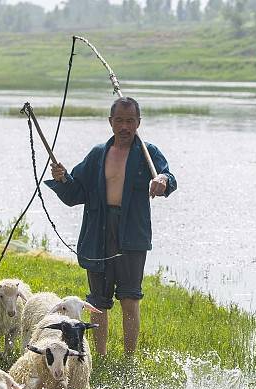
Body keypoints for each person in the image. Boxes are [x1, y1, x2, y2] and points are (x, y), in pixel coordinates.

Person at [44, 96, 176, 357]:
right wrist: (61, 178)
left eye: (130, 121)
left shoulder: (148, 153)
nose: (125, 127)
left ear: (138, 122)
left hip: (132, 235)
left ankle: (128, 358)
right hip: (98, 233)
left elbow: (168, 178)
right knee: (97, 302)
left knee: (130, 298)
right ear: (110, 122)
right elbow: (75, 193)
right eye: (119, 121)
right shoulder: (97, 155)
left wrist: (162, 179)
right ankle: (101, 356)